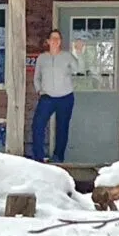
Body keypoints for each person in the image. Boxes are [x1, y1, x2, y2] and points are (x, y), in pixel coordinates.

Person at [31, 29, 78, 163]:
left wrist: (78, 53)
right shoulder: (42, 58)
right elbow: (37, 77)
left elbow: (78, 69)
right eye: (53, 38)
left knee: (62, 127)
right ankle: (39, 157)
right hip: (48, 97)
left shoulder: (67, 56)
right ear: (48, 41)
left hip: (65, 97)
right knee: (37, 125)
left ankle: (58, 157)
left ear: (60, 42)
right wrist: (39, 90)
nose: (55, 41)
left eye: (58, 38)